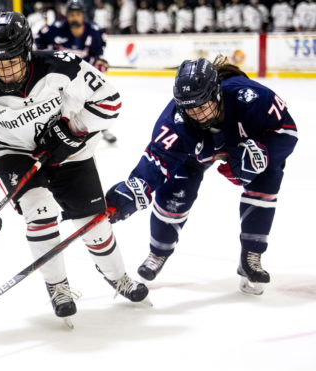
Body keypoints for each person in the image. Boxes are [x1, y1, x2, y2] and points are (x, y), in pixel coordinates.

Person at [0, 11, 148, 321]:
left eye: (11, 61)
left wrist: (72, 130)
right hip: (15, 154)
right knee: (40, 211)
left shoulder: (62, 66)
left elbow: (109, 100)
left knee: (94, 224)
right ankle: (57, 286)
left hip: (71, 150)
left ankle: (117, 276)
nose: (4, 71)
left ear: (27, 52)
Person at [105, 56, 298, 296]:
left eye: (202, 105)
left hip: (243, 143)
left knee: (267, 177)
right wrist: (132, 191)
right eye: (189, 107)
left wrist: (264, 152)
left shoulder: (252, 97)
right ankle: (158, 251)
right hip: (193, 156)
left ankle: (252, 254)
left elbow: (286, 132)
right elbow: (156, 161)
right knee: (174, 196)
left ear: (217, 93)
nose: (196, 113)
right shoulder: (175, 121)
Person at [35, 0, 117, 144]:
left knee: (93, 97)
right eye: (71, 14)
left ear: (83, 15)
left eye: (77, 14)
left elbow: (99, 55)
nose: (74, 18)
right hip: (61, 76)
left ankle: (100, 128)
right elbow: (39, 42)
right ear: (66, 16)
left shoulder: (95, 30)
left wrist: (100, 61)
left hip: (84, 75)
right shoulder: (56, 28)